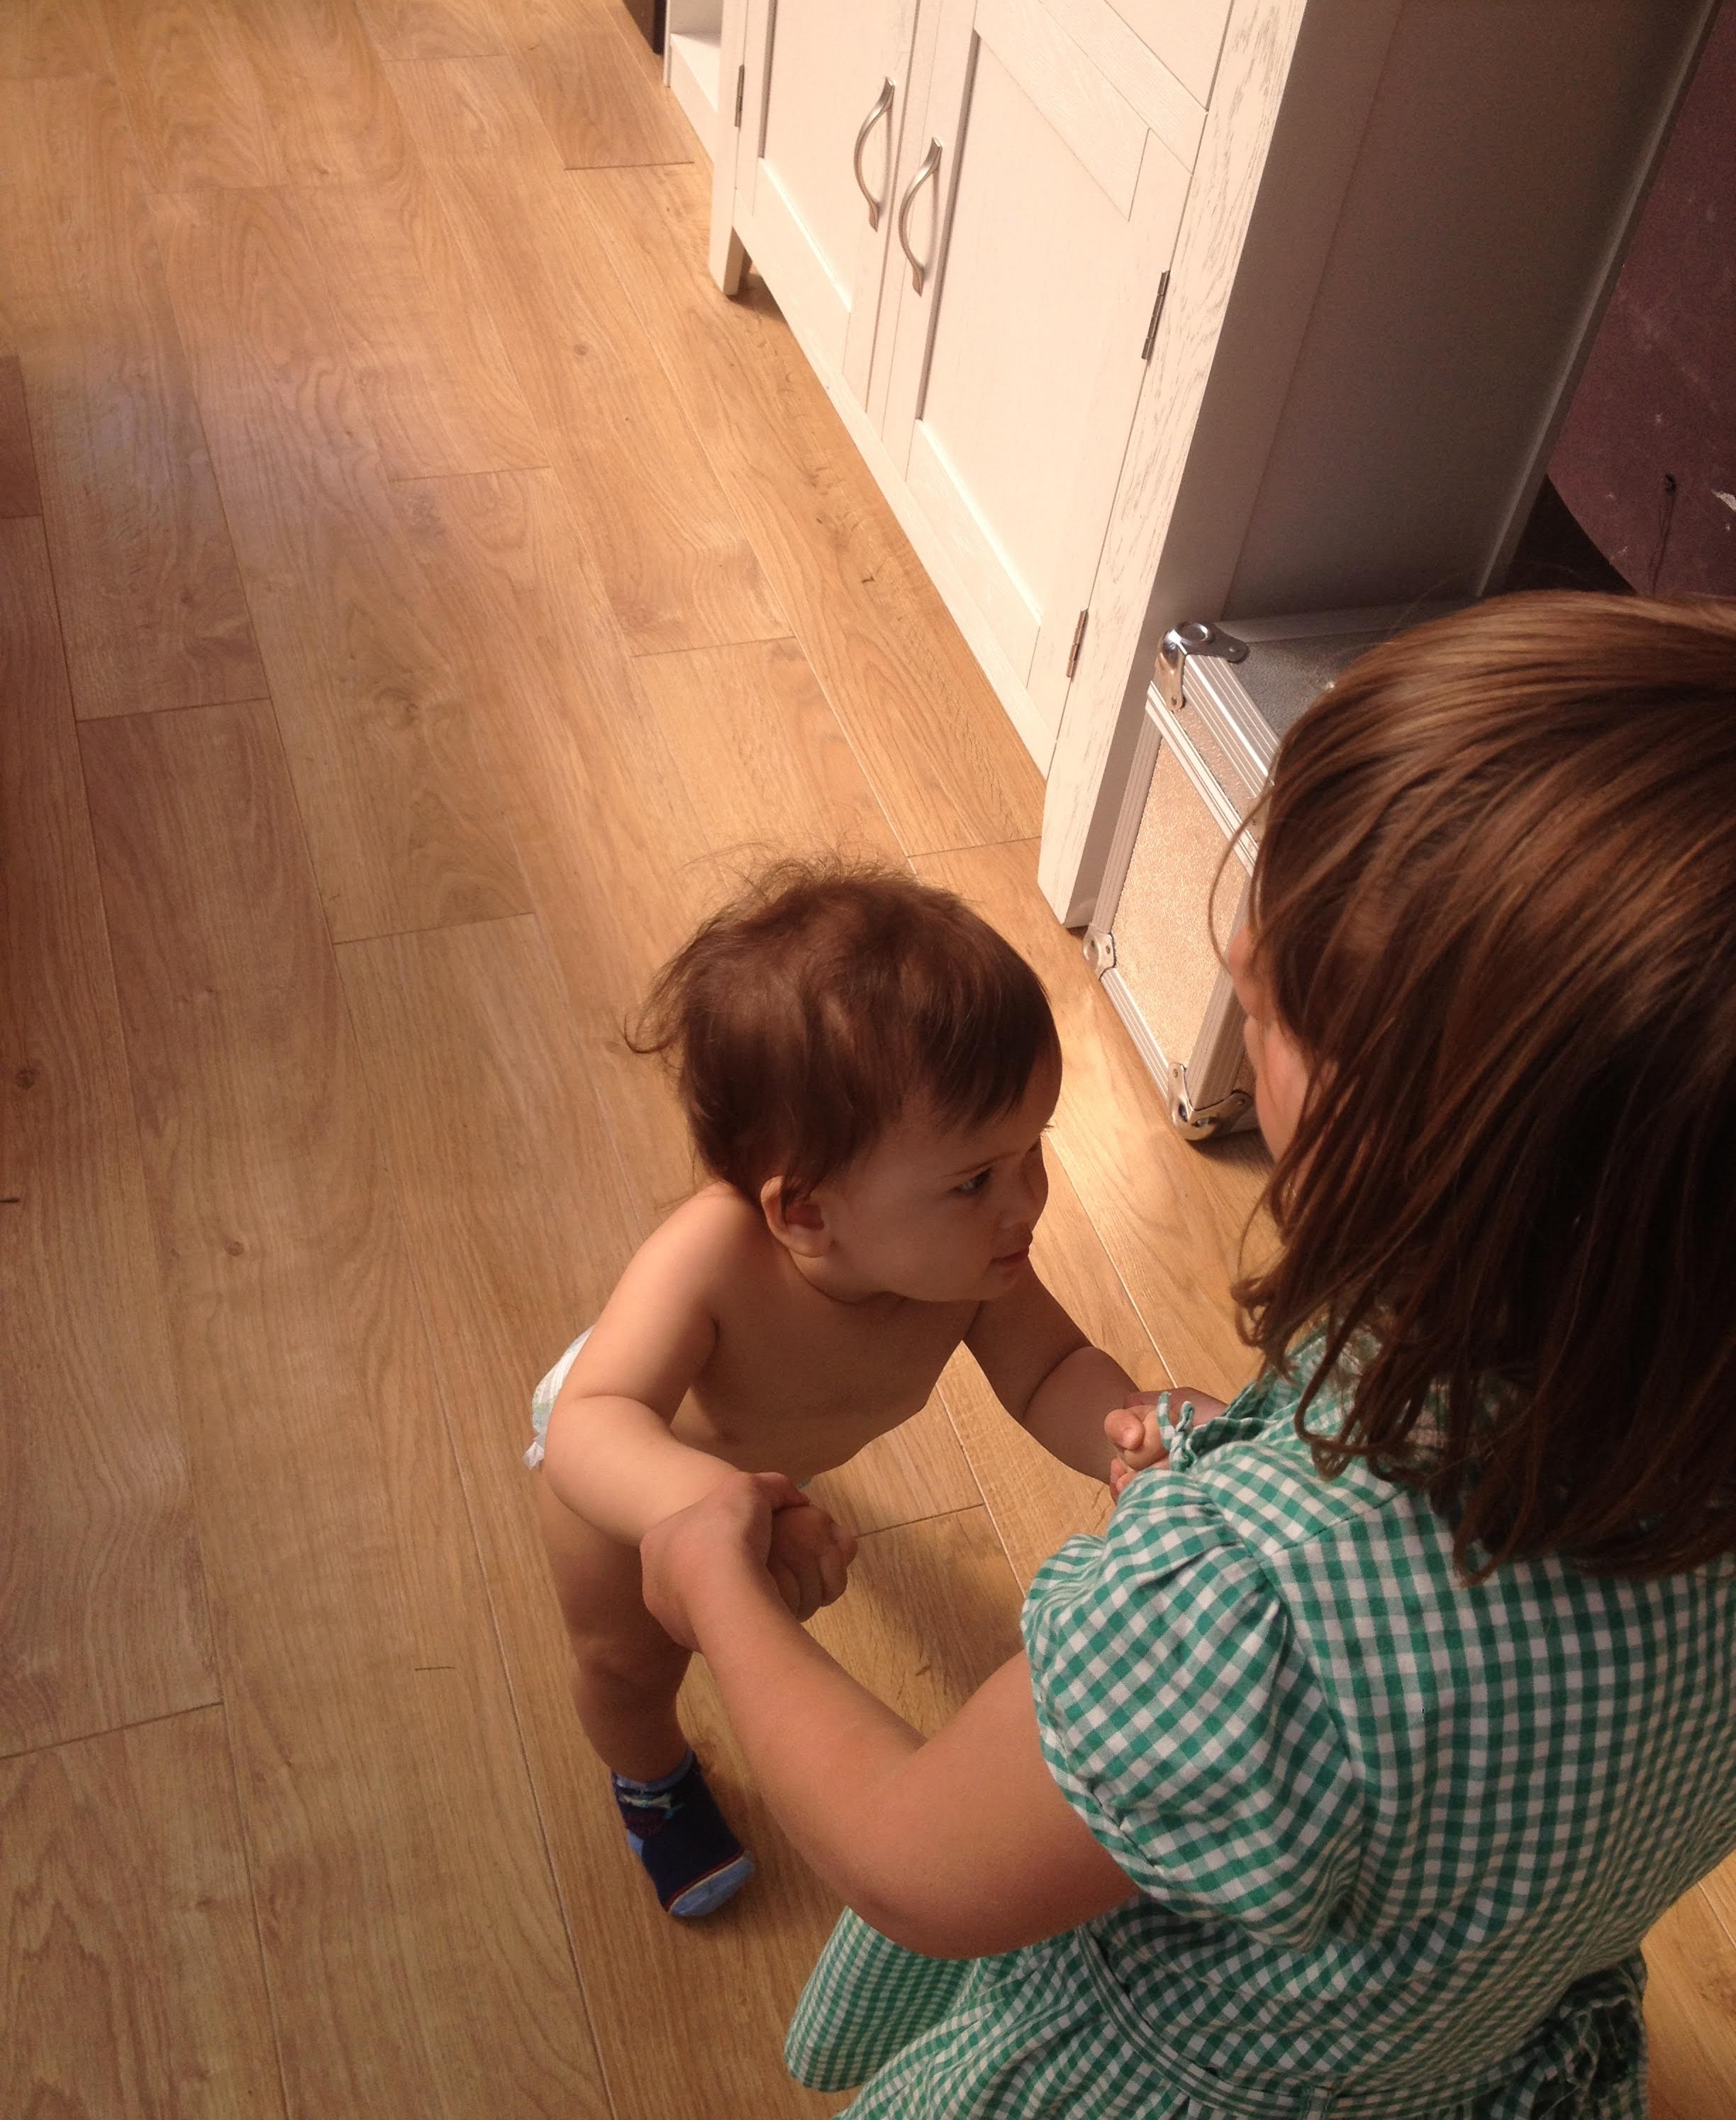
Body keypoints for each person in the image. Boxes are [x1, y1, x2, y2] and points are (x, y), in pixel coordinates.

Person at [638, 592, 1736, 2116]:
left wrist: (715, 1585)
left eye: (1282, 995)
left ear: (1425, 1141)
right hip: (1470, 2034)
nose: (1231, 944)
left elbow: (908, 1853)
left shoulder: (1254, 1617)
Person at [525, 863, 1173, 1919]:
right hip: (635, 1479)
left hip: (770, 1456)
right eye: (974, 1179)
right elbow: (592, 1425)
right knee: (628, 1663)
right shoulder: (710, 1260)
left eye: (1033, 1150)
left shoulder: (970, 1263)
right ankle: (651, 1780)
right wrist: (709, 1507)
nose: (1026, 1202)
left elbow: (1052, 1370)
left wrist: (1136, 1430)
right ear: (807, 1216)